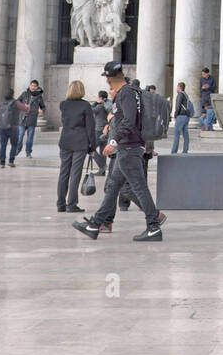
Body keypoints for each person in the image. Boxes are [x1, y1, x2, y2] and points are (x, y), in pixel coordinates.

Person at [73, 62, 166, 242]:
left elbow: (130, 121)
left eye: (107, 79)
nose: (107, 83)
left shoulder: (126, 94)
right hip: (128, 147)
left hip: (128, 147)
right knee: (112, 187)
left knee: (138, 188)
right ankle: (95, 225)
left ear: (109, 78)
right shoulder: (132, 92)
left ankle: (153, 227)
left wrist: (114, 141)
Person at [57, 80, 96, 213]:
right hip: (80, 141)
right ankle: (72, 204)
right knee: (75, 174)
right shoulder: (85, 106)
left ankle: (60, 203)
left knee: (64, 173)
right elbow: (90, 128)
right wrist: (93, 146)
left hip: (65, 140)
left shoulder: (63, 105)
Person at [0, 90, 28, 167]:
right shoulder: (16, 102)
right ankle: (11, 161)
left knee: (3, 145)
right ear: (13, 94)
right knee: (14, 145)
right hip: (13, 127)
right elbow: (25, 109)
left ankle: (2, 163)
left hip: (2, 127)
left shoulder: (0, 103)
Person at [16, 79, 46, 158]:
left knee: (30, 138)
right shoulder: (24, 94)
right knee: (20, 136)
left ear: (37, 87)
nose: (33, 87)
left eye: (34, 86)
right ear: (30, 86)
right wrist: (23, 106)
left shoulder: (39, 97)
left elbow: (43, 107)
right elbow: (17, 102)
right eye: (32, 85)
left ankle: (28, 152)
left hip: (32, 119)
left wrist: (41, 110)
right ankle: (18, 149)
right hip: (22, 119)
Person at [91, 91, 111, 174]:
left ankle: (102, 166)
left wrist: (96, 103)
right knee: (103, 150)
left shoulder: (99, 107)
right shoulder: (108, 105)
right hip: (106, 130)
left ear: (100, 98)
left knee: (90, 148)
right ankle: (102, 171)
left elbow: (90, 110)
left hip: (99, 130)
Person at [171, 81, 194, 154]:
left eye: (177, 87)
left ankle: (174, 151)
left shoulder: (180, 95)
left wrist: (175, 115)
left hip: (181, 116)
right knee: (185, 134)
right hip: (186, 116)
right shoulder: (186, 95)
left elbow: (178, 106)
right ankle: (185, 150)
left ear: (179, 87)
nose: (176, 89)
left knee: (177, 134)